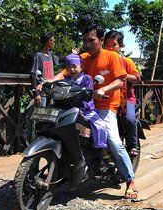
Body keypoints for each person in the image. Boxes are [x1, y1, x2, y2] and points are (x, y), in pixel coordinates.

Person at [56, 25, 138, 200]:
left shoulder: (112, 57)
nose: (87, 44)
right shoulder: (83, 58)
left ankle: (130, 180)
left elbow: (120, 80)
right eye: (85, 40)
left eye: (91, 40)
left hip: (105, 105)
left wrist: (104, 89)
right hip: (83, 103)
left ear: (101, 40)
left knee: (114, 142)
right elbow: (64, 73)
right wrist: (47, 81)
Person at [104, 30, 142, 157]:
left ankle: (133, 144)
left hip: (126, 99)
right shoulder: (103, 61)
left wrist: (125, 75)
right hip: (107, 99)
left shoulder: (126, 61)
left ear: (121, 46)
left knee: (129, 118)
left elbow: (137, 78)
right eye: (107, 45)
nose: (110, 48)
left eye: (113, 45)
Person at [62, 53, 108, 149]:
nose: (72, 69)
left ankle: (102, 150)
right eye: (69, 67)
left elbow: (89, 91)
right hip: (70, 110)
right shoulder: (67, 80)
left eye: (74, 66)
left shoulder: (87, 78)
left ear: (82, 67)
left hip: (86, 110)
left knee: (100, 126)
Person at [30, 31, 56, 107]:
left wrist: (71, 54)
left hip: (51, 91)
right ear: (49, 41)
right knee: (40, 116)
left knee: (50, 116)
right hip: (42, 92)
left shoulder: (51, 55)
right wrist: (35, 93)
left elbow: (61, 58)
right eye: (53, 41)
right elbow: (33, 74)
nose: (54, 43)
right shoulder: (38, 56)